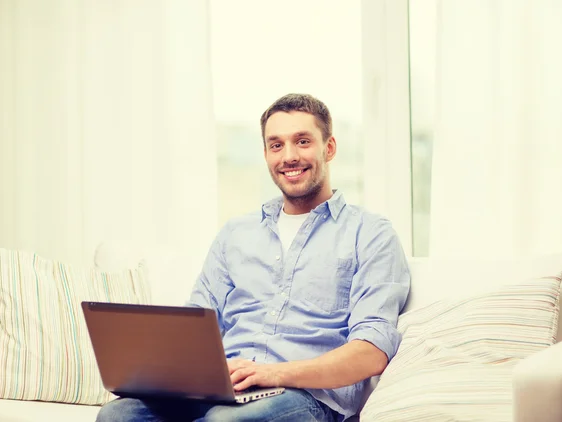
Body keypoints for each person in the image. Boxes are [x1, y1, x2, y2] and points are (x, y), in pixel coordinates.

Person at [96, 93, 410, 421]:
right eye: (276, 145)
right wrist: (155, 373)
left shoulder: (370, 233)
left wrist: (274, 374)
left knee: (224, 421)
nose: (289, 156)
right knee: (118, 415)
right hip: (221, 390)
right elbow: (196, 324)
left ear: (328, 148)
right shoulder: (236, 234)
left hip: (306, 398)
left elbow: (372, 352)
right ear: (265, 154)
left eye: (302, 141)